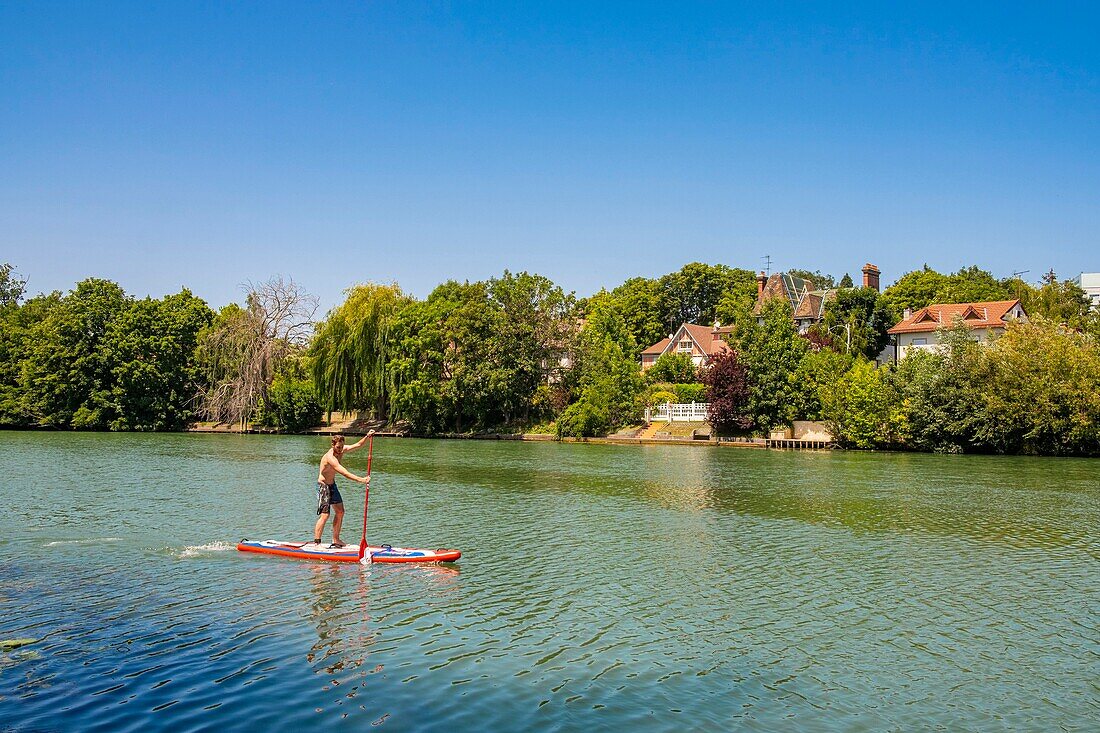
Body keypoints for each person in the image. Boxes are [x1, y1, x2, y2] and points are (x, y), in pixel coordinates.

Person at [312, 432, 373, 547]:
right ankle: (317, 542)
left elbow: (358, 445)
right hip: (323, 486)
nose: (340, 450)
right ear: (332, 445)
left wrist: (367, 436)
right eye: (338, 447)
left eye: (341, 447)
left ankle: (336, 540)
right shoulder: (330, 457)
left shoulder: (342, 449)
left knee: (340, 512)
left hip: (332, 485)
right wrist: (362, 480)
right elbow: (344, 472)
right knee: (325, 515)